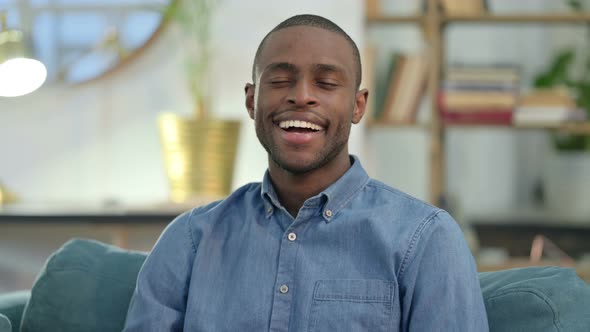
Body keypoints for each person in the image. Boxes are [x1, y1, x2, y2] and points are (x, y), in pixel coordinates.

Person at [123, 14, 489, 331]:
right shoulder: (188, 241)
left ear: (357, 105)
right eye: (280, 81)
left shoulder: (427, 240)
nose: (301, 96)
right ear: (251, 100)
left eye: (326, 83)